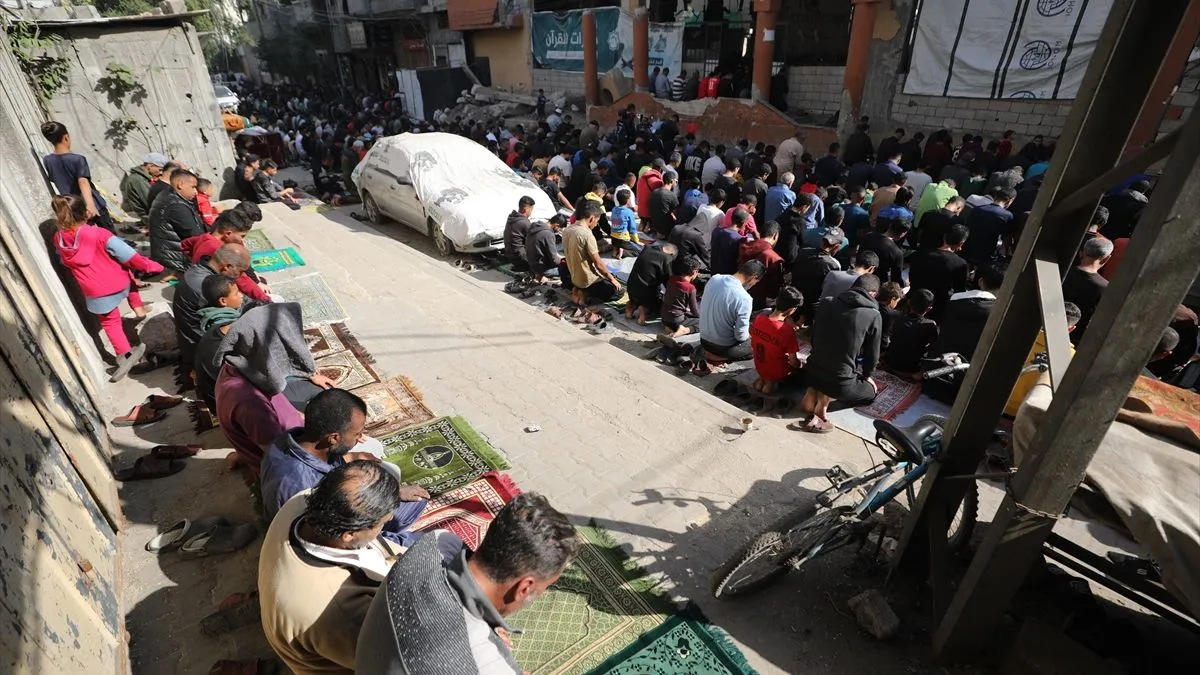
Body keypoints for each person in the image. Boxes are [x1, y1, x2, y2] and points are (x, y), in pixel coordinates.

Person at [356, 493, 577, 675]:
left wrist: (486, 630)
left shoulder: (435, 543)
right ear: (524, 588)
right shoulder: (488, 667)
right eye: (545, 587)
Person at [259, 461, 405, 675]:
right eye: (381, 523)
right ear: (349, 535)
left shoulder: (301, 503)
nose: (389, 519)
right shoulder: (340, 613)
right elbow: (393, 661)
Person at [260, 388, 430, 541]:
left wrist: (352, 456)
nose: (360, 437)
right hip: (322, 530)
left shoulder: (289, 439)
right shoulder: (305, 486)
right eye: (357, 434)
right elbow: (336, 534)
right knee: (416, 503)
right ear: (333, 438)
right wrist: (391, 495)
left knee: (374, 449)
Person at [51, 195, 162, 380]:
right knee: (127, 270)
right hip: (119, 281)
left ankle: (124, 355)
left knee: (111, 323)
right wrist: (152, 266)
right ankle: (138, 309)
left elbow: (63, 261)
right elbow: (129, 257)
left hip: (94, 291)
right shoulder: (100, 234)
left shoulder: (58, 239)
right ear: (86, 213)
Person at [797, 275, 883, 433]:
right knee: (870, 393)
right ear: (873, 294)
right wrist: (867, 376)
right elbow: (872, 353)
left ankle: (814, 389)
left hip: (811, 371)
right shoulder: (873, 315)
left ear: (852, 287)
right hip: (840, 382)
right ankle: (823, 400)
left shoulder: (827, 302)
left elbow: (814, 338)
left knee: (828, 366)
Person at [174, 242, 250, 375]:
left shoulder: (201, 270)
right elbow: (225, 328)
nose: (241, 276)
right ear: (227, 266)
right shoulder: (204, 287)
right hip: (200, 346)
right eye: (241, 271)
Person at [1003, 302, 1082, 416]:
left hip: (995, 404)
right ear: (1071, 328)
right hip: (1025, 416)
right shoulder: (1072, 358)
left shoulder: (1016, 337)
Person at [40, 121, 115, 233]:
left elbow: (54, 179)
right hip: (93, 206)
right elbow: (83, 181)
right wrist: (90, 204)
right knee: (108, 236)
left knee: (88, 237)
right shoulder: (78, 159)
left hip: (72, 207)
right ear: (66, 137)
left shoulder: (47, 160)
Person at [930, 266, 1004, 364]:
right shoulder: (997, 311)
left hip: (940, 360)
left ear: (980, 281)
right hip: (970, 364)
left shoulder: (953, 302)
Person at [698, 259, 763, 362]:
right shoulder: (745, 298)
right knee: (755, 347)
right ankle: (720, 358)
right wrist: (749, 336)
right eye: (756, 282)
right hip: (721, 347)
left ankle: (711, 353)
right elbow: (740, 336)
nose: (754, 285)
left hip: (703, 340)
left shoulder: (714, 279)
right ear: (753, 277)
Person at [559, 200, 621, 305]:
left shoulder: (567, 230)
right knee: (618, 292)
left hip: (573, 278)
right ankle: (585, 293)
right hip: (587, 281)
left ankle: (577, 289)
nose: (596, 224)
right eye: (597, 222)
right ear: (592, 218)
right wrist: (611, 279)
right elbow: (598, 264)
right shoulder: (586, 234)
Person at [148, 169, 207, 273]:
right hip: (177, 261)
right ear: (181, 184)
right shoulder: (176, 206)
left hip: (169, 255)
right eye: (193, 187)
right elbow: (195, 236)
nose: (196, 192)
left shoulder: (167, 194)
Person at [750, 286, 804, 394]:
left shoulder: (759, 319)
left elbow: (753, 344)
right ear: (792, 309)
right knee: (802, 373)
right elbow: (793, 362)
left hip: (759, 365)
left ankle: (763, 379)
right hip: (778, 371)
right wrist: (801, 365)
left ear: (777, 301)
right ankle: (769, 384)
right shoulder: (787, 331)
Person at [908, 224, 970, 319]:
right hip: (939, 307)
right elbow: (959, 290)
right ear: (961, 243)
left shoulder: (919, 254)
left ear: (944, 237)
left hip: (915, 301)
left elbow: (912, 278)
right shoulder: (960, 264)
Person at [1062, 237, 1112, 344]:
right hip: (1072, 340)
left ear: (1081, 253)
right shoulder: (1106, 288)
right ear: (1106, 259)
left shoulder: (1062, 272)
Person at [882, 288, 940, 377]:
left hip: (889, 362)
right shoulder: (930, 325)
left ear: (909, 302)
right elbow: (934, 348)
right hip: (909, 368)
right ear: (929, 309)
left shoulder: (897, 318)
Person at [960, 186, 1016, 267]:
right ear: (1010, 200)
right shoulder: (1007, 216)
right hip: (986, 255)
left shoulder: (977, 209)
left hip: (967, 250)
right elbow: (1006, 240)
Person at [737, 218, 784, 309]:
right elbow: (774, 287)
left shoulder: (744, 246)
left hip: (739, 294)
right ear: (775, 236)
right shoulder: (772, 257)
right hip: (759, 302)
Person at [625, 242, 677, 325]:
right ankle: (643, 310)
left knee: (642, 288)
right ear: (671, 254)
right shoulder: (667, 258)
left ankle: (631, 306)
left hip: (630, 287)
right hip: (646, 293)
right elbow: (668, 282)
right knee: (659, 307)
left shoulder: (647, 248)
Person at [662, 255, 703, 337]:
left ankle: (670, 327)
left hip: (664, 318)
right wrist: (701, 318)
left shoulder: (672, 279)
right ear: (694, 271)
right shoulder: (690, 288)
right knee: (703, 323)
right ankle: (684, 330)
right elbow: (694, 311)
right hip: (677, 319)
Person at [120, 153, 168, 223]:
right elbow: (151, 202)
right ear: (150, 166)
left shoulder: (144, 177)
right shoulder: (138, 180)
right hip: (152, 218)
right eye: (160, 170)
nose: (161, 173)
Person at [859, 217, 908, 285]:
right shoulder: (897, 253)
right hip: (877, 283)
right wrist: (905, 284)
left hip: (860, 275)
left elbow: (859, 255)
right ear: (903, 233)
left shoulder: (868, 236)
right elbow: (896, 279)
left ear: (890, 225)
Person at [525, 214, 566, 283]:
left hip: (532, 264)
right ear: (556, 225)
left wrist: (560, 257)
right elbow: (555, 261)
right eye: (559, 229)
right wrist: (566, 261)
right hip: (543, 269)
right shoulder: (548, 234)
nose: (559, 231)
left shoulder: (534, 227)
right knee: (570, 269)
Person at [503, 196, 535, 270]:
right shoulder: (524, 223)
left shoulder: (511, 217)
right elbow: (534, 241)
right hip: (520, 258)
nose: (531, 212)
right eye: (531, 209)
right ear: (526, 209)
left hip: (509, 255)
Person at [609, 187, 642, 260]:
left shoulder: (614, 209)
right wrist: (637, 241)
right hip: (623, 239)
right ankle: (623, 252)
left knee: (620, 241)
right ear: (628, 200)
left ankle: (615, 249)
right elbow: (632, 229)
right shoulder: (629, 212)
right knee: (640, 250)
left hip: (613, 238)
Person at [649, 171, 680, 239]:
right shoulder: (671, 195)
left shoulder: (654, 192)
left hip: (655, 226)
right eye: (676, 181)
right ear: (672, 181)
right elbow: (677, 213)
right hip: (665, 229)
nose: (676, 183)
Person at [636, 159, 665, 226]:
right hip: (649, 214)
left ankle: (643, 225)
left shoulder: (642, 177)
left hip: (640, 212)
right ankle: (648, 226)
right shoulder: (656, 181)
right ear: (660, 169)